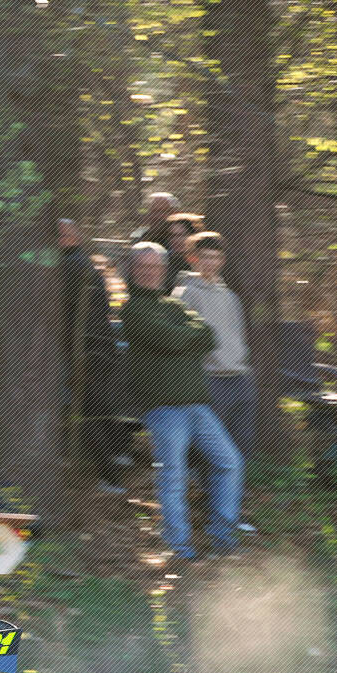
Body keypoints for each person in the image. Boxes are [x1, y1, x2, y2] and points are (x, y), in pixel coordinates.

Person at [121, 243, 243, 560]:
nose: (149, 272)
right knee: (172, 476)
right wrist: (184, 340)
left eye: (155, 266)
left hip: (196, 404)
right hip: (164, 409)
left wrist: (180, 340)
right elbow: (172, 338)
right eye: (143, 266)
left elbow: (208, 335)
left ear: (164, 270)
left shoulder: (173, 304)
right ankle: (179, 547)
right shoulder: (132, 309)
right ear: (133, 270)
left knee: (229, 462)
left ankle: (223, 538)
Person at [58, 218, 130, 492]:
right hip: (98, 347)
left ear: (75, 238)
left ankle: (109, 476)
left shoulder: (70, 265)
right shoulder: (82, 263)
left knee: (87, 411)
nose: (59, 240)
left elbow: (65, 313)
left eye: (63, 235)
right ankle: (120, 451)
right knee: (99, 405)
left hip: (86, 351)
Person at [173, 232, 257, 461]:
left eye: (216, 257)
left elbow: (238, 336)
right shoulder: (185, 294)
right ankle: (202, 483)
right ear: (192, 258)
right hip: (209, 379)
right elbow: (181, 340)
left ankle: (235, 485)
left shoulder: (230, 297)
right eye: (205, 257)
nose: (210, 263)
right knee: (210, 449)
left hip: (240, 377)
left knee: (242, 445)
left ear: (222, 260)